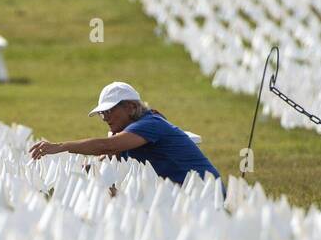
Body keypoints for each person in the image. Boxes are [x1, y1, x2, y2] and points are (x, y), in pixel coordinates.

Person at [29, 81, 223, 194]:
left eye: (109, 111)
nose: (104, 118)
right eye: (102, 113)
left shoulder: (150, 124)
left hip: (204, 195)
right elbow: (104, 163)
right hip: (179, 195)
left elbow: (107, 147)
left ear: (130, 107)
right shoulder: (128, 132)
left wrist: (60, 147)